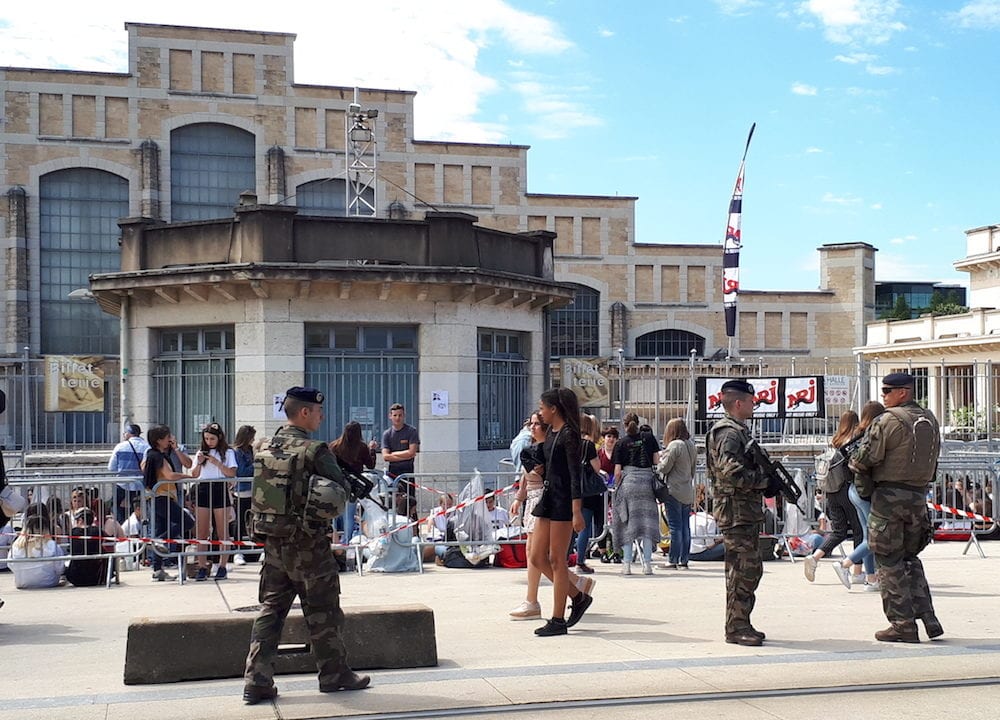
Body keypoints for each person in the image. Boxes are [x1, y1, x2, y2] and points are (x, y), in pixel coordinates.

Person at [243, 386, 370, 705]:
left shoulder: (264, 447)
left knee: (271, 610)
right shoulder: (315, 450)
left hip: (274, 545)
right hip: (309, 544)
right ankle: (334, 674)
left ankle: (257, 679)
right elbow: (339, 491)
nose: (321, 416)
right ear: (304, 413)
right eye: (317, 411)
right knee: (323, 610)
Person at [849, 372, 943, 643]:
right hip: (917, 498)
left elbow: (865, 458)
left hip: (889, 499)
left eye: (888, 391)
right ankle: (928, 618)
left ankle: (902, 624)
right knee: (910, 559)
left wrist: (864, 488)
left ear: (903, 392)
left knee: (889, 563)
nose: (884, 396)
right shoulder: (929, 420)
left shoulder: (889, 421)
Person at [705, 379, 768, 647]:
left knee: (749, 569)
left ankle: (742, 622)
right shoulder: (729, 433)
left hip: (744, 510)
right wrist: (763, 480)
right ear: (739, 403)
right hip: (735, 511)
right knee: (742, 570)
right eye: (752, 401)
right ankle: (737, 626)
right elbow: (731, 472)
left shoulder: (738, 430)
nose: (755, 405)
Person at [528, 388, 593, 636]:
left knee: (557, 560)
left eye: (543, 407)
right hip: (548, 497)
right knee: (536, 557)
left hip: (564, 501)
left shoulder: (569, 435)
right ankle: (578, 596)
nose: (540, 411)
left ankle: (557, 619)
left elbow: (575, 476)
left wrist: (577, 511)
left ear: (554, 409)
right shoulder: (552, 433)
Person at [803, 410, 864, 583]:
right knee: (859, 530)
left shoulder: (835, 441)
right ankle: (857, 572)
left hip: (831, 492)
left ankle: (814, 558)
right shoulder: (853, 441)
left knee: (839, 531)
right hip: (847, 490)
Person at [833, 401, 885, 591]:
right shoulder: (870, 435)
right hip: (865, 491)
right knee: (875, 537)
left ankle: (871, 579)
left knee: (867, 535)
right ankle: (845, 564)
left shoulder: (855, 435)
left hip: (853, 489)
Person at [143, 425, 194, 582]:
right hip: (162, 497)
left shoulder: (154, 454)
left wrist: (176, 449)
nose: (170, 439)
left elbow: (143, 467)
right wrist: (188, 478)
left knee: (160, 529)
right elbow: (170, 475)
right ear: (159, 440)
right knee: (187, 522)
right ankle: (160, 541)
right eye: (167, 437)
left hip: (156, 496)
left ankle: (158, 569)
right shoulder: (157, 456)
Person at [612, 413, 661, 575]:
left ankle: (626, 564)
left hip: (628, 483)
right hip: (646, 483)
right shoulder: (649, 437)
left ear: (625, 425)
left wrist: (618, 486)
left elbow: (617, 471)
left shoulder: (620, 443)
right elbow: (656, 461)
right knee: (647, 524)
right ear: (639, 423)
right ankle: (647, 564)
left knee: (626, 523)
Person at [190, 423, 238, 581]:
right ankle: (202, 566)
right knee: (202, 531)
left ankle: (222, 565)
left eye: (212, 438)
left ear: (219, 438)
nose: (209, 441)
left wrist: (216, 462)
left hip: (219, 487)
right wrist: (199, 461)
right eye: (206, 438)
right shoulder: (200, 452)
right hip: (203, 488)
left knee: (222, 529)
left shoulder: (228, 452)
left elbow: (231, 473)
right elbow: (195, 474)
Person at [331, 420, 378, 558]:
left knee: (336, 515)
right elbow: (370, 465)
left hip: (337, 483)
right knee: (349, 515)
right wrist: (373, 450)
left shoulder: (335, 446)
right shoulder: (361, 447)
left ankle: (336, 541)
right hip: (352, 485)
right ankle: (347, 541)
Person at [657, 417, 697, 569]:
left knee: (675, 527)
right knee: (685, 527)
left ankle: (672, 559)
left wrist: (660, 461)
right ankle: (684, 559)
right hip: (687, 490)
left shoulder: (674, 445)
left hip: (673, 490)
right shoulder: (691, 445)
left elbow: (664, 468)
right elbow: (693, 470)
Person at [574, 413, 604, 575]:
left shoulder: (569, 443)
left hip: (572, 487)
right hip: (587, 490)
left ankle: (566, 558)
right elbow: (596, 467)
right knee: (584, 526)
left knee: (571, 526)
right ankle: (580, 560)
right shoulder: (587, 445)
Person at [381, 403, 420, 519]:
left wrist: (394, 454)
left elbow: (412, 452)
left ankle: (414, 532)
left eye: (400, 415)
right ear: (390, 416)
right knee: (394, 503)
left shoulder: (411, 431)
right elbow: (385, 456)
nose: (397, 418)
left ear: (404, 416)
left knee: (410, 503)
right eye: (395, 415)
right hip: (393, 472)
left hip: (407, 472)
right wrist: (404, 454)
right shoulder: (387, 434)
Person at [108, 424, 150, 522]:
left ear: (128, 434)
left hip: (121, 482)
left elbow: (111, 467)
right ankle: (135, 525)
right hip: (139, 483)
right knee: (137, 506)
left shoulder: (120, 446)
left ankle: (121, 524)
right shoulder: (146, 447)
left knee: (115, 504)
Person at [10, 514, 64, 589]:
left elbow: (10, 565)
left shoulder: (15, 546)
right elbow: (60, 568)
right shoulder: (52, 545)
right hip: (48, 582)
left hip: (22, 583)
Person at [231, 425, 257, 566]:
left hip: (253, 490)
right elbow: (241, 471)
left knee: (252, 521)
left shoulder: (250, 450)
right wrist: (256, 464)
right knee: (240, 522)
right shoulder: (237, 452)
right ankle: (237, 550)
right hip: (241, 490)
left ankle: (254, 548)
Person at [65, 507, 109, 587]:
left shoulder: (73, 532)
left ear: (81, 520)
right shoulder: (97, 531)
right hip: (95, 577)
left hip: (75, 577)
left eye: (77, 520)